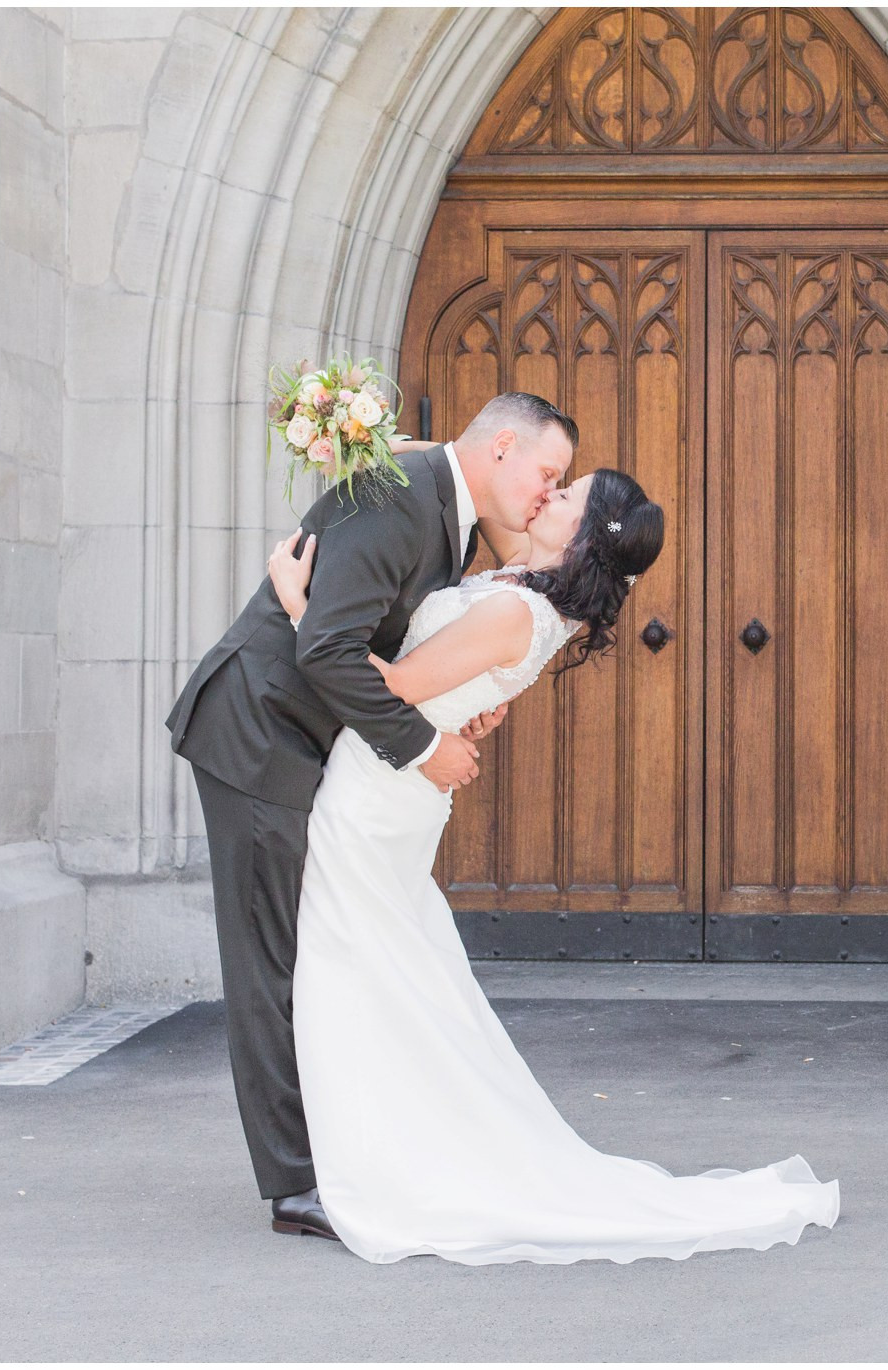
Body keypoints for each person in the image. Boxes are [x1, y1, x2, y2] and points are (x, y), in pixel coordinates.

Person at [269, 464, 842, 1265]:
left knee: (350, 963)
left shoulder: (514, 608)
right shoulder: (522, 593)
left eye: (567, 495)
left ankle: (379, 1160)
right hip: (395, 784)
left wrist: (298, 601)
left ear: (579, 534)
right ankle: (383, 1142)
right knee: (385, 965)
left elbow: (392, 685)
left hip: (377, 795)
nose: (551, 494)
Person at [164, 392, 571, 1238]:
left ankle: (332, 1152)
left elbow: (388, 647)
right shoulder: (397, 495)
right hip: (257, 732)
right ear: (502, 446)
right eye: (549, 473)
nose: (547, 492)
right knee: (269, 959)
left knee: (308, 948)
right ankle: (294, 1185)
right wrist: (425, 747)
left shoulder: (449, 515)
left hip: (304, 737)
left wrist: (461, 707)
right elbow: (327, 650)